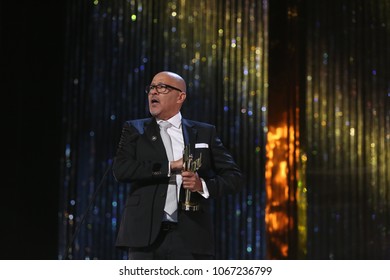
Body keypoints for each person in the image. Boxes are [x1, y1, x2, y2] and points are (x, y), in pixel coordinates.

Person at [112, 70, 243, 260]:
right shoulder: (135, 129)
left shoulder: (204, 132)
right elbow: (121, 169)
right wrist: (170, 166)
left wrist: (202, 185)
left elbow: (234, 177)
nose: (153, 92)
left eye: (162, 87)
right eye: (151, 88)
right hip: (144, 236)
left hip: (190, 236)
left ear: (180, 96)